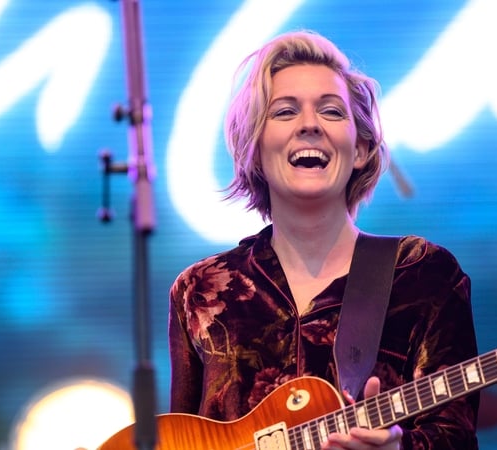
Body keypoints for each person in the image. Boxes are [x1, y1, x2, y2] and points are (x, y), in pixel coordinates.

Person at [168, 29, 480, 449]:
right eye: (284, 112)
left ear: (362, 148)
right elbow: (181, 438)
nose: (309, 125)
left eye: (331, 111)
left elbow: (456, 437)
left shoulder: (424, 273)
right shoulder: (200, 290)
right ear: (254, 147)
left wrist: (398, 448)